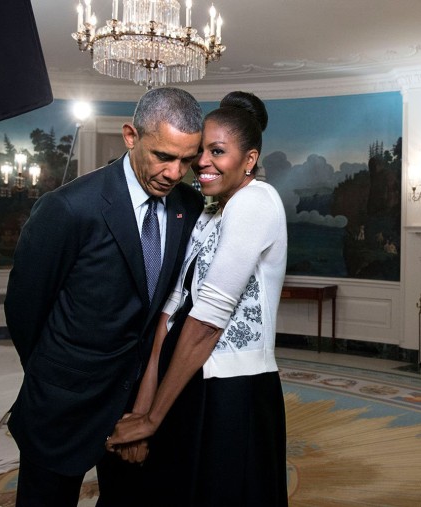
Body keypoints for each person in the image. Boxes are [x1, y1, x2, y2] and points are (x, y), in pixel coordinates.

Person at [3, 86, 205, 507]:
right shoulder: (69, 208)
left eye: (187, 160)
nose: (174, 172)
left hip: (137, 407)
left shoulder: (189, 206)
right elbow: (25, 309)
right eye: (163, 156)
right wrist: (57, 375)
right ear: (131, 136)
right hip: (62, 405)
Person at [105, 91, 289, 506]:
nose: (202, 161)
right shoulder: (209, 212)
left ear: (249, 159)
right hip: (185, 376)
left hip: (232, 388)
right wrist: (145, 409)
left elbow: (208, 319)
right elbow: (168, 317)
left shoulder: (257, 201)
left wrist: (152, 419)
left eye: (218, 151)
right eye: (201, 150)